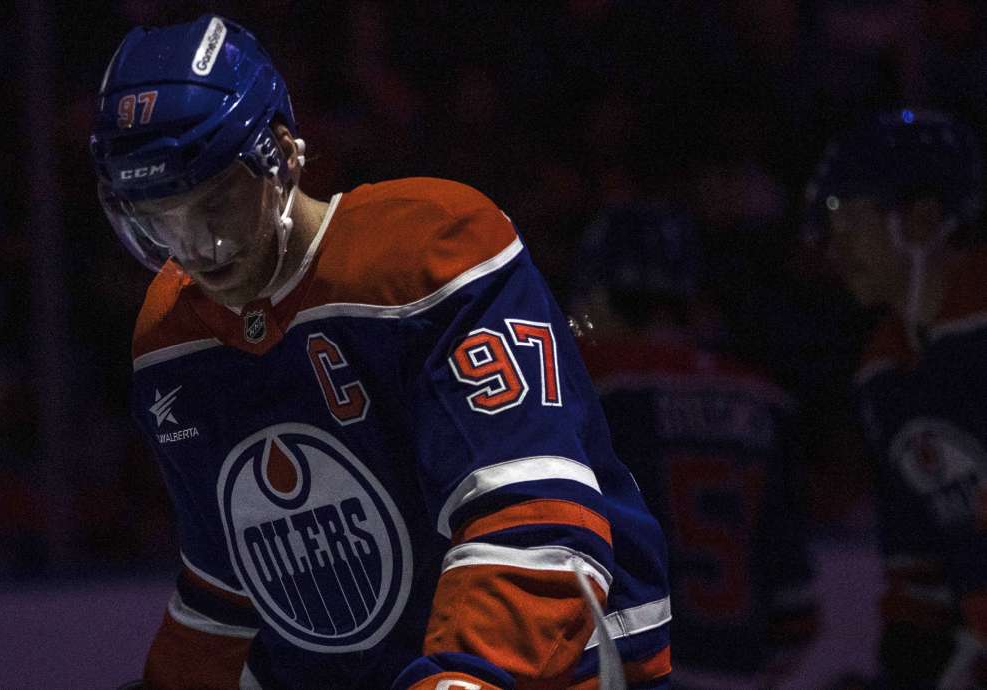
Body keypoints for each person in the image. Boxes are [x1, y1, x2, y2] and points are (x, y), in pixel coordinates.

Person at [89, 15, 671, 690]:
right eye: (162, 219)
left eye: (216, 205)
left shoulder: (436, 252)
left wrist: (458, 677)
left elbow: (537, 525)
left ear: (283, 153)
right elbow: (228, 586)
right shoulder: (170, 336)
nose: (196, 249)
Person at [568, 205, 818, 689]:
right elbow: (796, 609)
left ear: (599, 293)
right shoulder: (764, 398)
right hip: (738, 669)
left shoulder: (592, 386)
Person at [806, 108, 987, 689]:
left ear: (923, 219)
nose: (835, 249)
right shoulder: (882, 372)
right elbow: (918, 564)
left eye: (851, 222)